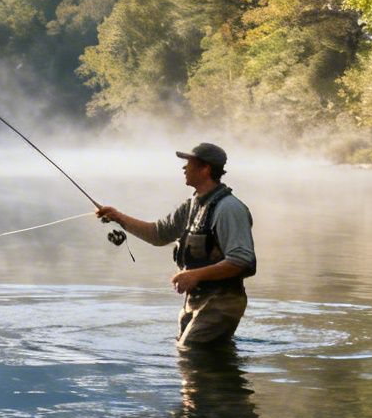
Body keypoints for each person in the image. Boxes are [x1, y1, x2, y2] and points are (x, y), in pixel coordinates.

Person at [94, 143, 256, 347]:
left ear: (205, 169)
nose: (184, 168)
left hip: (223, 303)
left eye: (189, 163)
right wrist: (118, 217)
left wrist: (194, 275)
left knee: (190, 352)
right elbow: (159, 234)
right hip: (194, 301)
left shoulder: (229, 209)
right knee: (192, 357)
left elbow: (242, 261)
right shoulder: (191, 205)